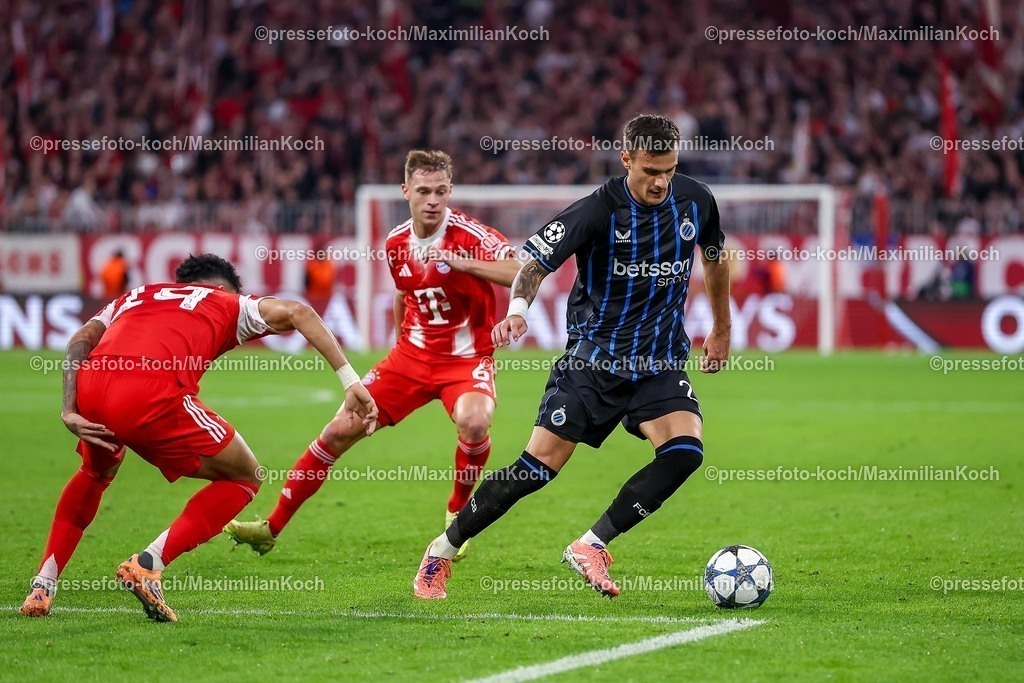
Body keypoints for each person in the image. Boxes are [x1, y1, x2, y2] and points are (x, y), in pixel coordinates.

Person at [413, 114, 731, 599]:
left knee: (685, 452)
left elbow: (714, 256)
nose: (660, 182)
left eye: (668, 169)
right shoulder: (597, 210)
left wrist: (722, 328)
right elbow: (533, 266)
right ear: (626, 160)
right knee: (534, 469)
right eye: (649, 171)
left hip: (660, 361)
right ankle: (441, 550)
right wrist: (518, 311)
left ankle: (592, 544)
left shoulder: (695, 199)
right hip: (594, 362)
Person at [19, 254, 378, 621]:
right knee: (245, 476)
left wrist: (68, 408)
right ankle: (147, 564)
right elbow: (299, 312)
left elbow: (80, 340)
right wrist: (352, 381)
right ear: (224, 287)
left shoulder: (137, 294)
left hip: (91, 389)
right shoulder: (227, 301)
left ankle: (42, 586)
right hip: (151, 392)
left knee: (94, 474)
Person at [225, 150, 520, 560]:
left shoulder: (470, 235)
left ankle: (456, 512)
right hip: (409, 360)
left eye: (440, 191)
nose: (432, 200)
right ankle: (271, 526)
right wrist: (398, 348)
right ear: (406, 192)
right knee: (338, 429)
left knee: (474, 422)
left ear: (450, 191)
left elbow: (519, 270)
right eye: (423, 191)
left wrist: (461, 262)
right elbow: (404, 294)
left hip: (466, 360)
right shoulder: (396, 241)